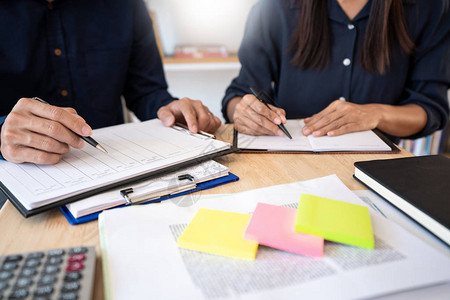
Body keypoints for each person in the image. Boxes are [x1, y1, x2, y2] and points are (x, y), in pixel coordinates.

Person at [0, 0, 221, 165]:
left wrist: (169, 110)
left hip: (111, 165)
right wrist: (2, 133)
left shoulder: (126, 5)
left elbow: (146, 91)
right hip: (16, 174)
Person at [222, 0, 449, 141]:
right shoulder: (271, 7)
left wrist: (376, 113)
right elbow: (240, 94)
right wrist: (243, 113)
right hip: (288, 162)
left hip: (377, 172)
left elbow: (430, 108)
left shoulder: (429, 7)